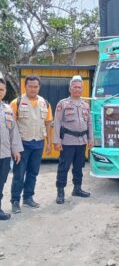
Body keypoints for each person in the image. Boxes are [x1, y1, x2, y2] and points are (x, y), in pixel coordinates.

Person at [10, 75, 53, 214]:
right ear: (25, 86)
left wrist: (48, 143)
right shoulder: (16, 102)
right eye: (30, 86)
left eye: (36, 86)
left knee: (33, 173)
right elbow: (11, 126)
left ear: (39, 87)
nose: (33, 89)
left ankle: (28, 197)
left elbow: (48, 123)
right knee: (19, 174)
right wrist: (13, 146)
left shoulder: (45, 103)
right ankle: (15, 201)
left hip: (38, 143)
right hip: (22, 144)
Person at [54, 75, 94, 204]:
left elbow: (89, 123)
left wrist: (91, 139)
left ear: (82, 89)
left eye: (79, 87)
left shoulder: (85, 105)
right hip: (68, 141)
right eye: (75, 87)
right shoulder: (63, 104)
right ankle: (60, 192)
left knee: (78, 167)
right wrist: (57, 140)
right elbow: (57, 122)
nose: (77, 89)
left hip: (82, 141)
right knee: (63, 167)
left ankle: (77, 189)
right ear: (70, 88)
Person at [0, 78, 23, 220]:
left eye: (1, 90)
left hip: (4, 154)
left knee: (1, 183)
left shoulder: (8, 110)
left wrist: (16, 150)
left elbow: (13, 133)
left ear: (5, 91)